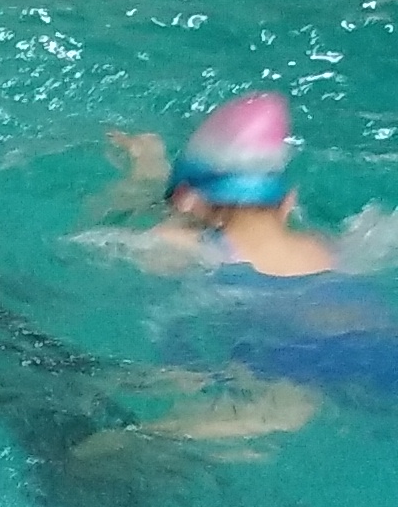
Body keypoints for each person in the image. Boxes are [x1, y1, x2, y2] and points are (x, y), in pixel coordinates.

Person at [82, 92, 394, 451]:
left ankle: (123, 443)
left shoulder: (189, 246)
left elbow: (102, 234)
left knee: (283, 409)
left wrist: (143, 172)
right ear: (288, 201)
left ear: (185, 200)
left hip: (300, 362)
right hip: (380, 344)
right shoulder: (323, 245)